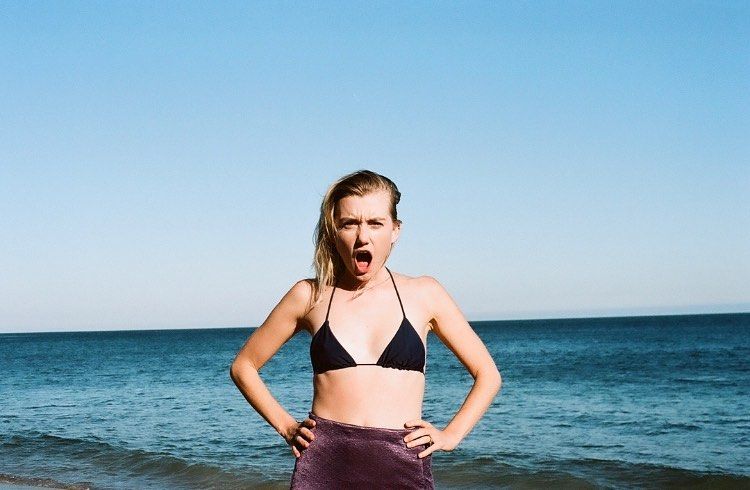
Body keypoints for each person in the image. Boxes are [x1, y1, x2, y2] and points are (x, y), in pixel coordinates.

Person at [230, 170, 502, 489]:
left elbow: (488, 375)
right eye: (349, 224)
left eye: (375, 223)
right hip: (324, 464)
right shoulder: (309, 295)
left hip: (402, 464)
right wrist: (287, 426)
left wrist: (451, 435)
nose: (363, 237)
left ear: (395, 230)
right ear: (333, 231)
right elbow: (244, 366)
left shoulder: (424, 294)